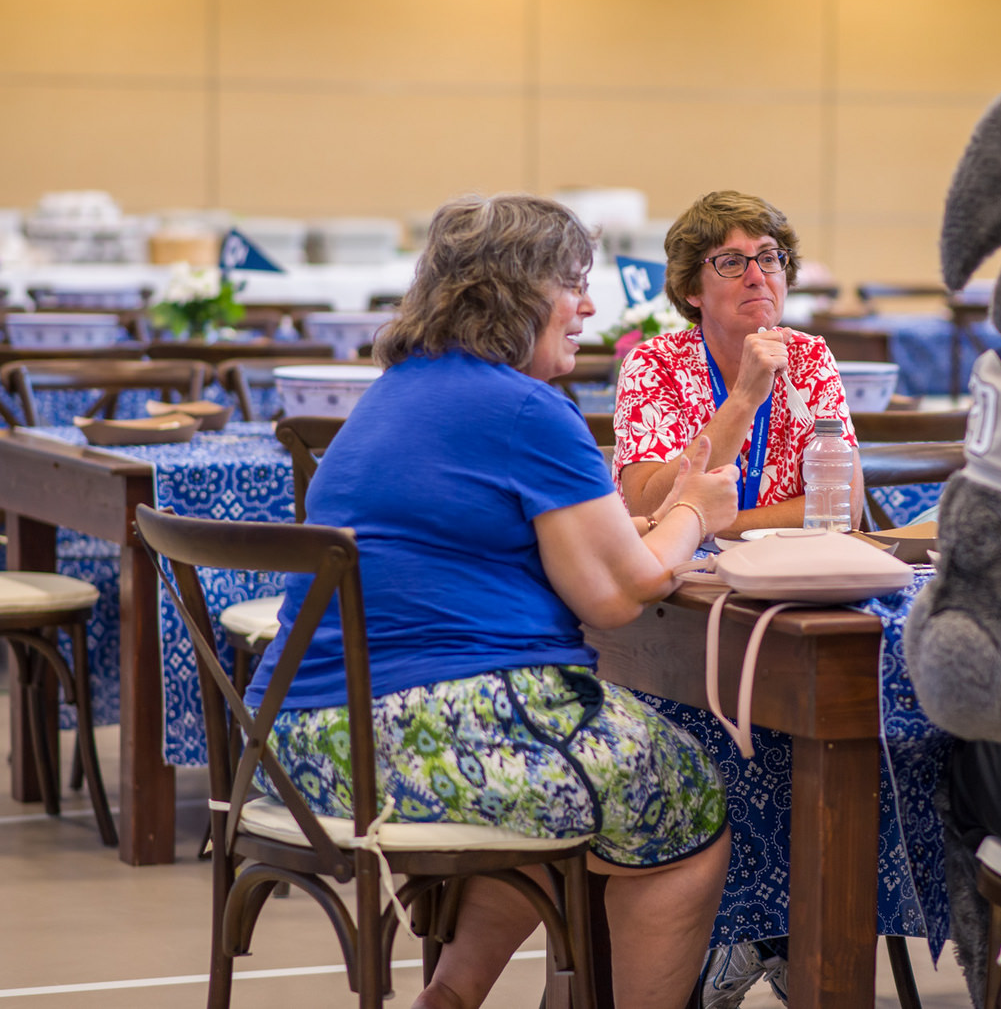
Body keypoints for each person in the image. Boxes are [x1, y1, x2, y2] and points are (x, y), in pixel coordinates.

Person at [244, 193, 738, 1009]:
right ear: (511, 293)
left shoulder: (400, 391)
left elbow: (519, 543)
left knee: (560, 784)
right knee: (682, 797)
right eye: (572, 285)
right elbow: (619, 594)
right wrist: (695, 510)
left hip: (303, 744)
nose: (588, 307)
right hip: (408, 737)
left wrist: (637, 527)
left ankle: (452, 995)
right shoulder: (524, 409)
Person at [612, 189, 864, 536]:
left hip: (790, 562)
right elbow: (648, 508)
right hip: (682, 564)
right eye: (731, 262)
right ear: (691, 289)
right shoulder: (655, 364)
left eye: (769, 258)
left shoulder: (808, 357)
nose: (757, 276)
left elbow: (841, 509)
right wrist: (743, 399)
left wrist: (705, 525)